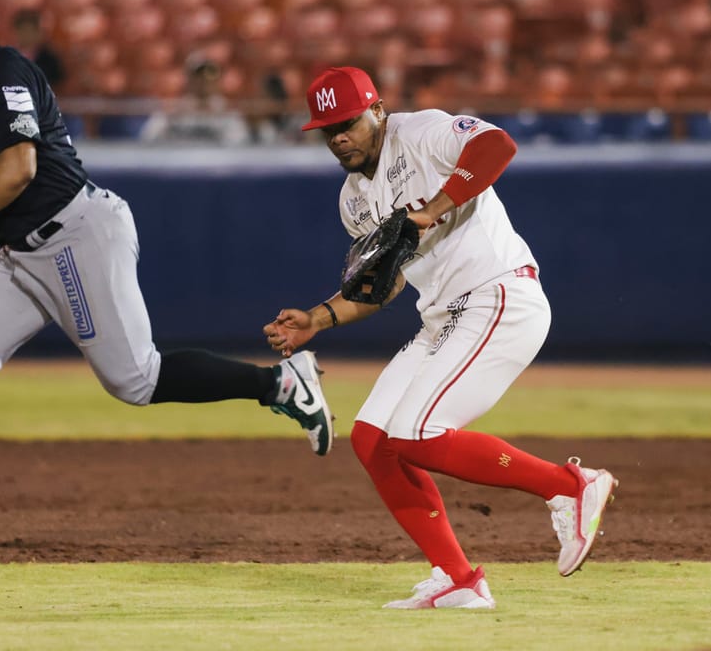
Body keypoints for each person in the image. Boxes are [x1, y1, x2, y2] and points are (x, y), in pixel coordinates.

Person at [0, 0, 332, 551]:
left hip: (74, 235)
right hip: (27, 252)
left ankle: (280, 383)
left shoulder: (2, 69)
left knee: (137, 380)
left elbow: (19, 167)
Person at [263, 66, 617, 610]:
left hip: (498, 294)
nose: (338, 136)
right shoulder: (353, 200)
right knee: (375, 441)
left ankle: (570, 487)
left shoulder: (422, 131)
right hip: (442, 317)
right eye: (327, 128)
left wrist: (433, 208)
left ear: (376, 111)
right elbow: (384, 285)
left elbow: (497, 146)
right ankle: (458, 578)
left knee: (420, 435)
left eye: (348, 122)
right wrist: (318, 319)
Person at [11, 9, 66, 92]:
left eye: (30, 31)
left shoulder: (49, 59)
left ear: (38, 32)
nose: (26, 35)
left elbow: (56, 83)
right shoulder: (8, 58)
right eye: (22, 30)